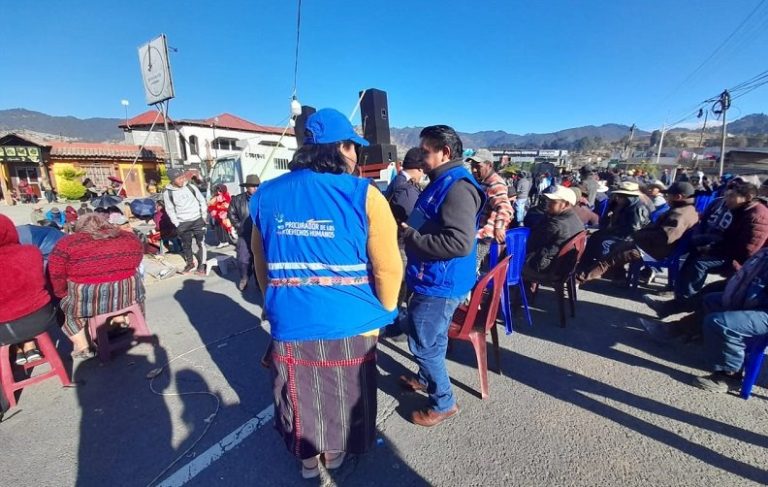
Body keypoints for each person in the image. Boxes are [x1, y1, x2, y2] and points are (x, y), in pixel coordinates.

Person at [248, 108, 402, 478]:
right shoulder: (364, 194)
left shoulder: (266, 195)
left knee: (297, 391)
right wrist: (384, 312)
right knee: (344, 393)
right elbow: (388, 266)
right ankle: (334, 454)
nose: (356, 156)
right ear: (342, 148)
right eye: (353, 147)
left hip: (292, 318)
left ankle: (306, 459)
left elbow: (260, 257)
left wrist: (274, 305)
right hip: (352, 320)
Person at [398, 124, 485, 427]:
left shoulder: (458, 187)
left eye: (425, 151)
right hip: (432, 277)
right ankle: (426, 378)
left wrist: (412, 238)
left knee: (423, 343)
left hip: (439, 283)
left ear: (445, 152)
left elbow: (459, 243)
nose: (420, 156)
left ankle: (444, 402)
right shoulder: (441, 181)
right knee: (432, 339)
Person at [645, 182, 768, 318]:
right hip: (728, 252)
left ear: (748, 197)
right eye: (726, 196)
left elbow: (747, 250)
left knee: (700, 265)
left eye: (732, 196)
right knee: (694, 254)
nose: (727, 200)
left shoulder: (758, 216)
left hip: (743, 262)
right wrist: (709, 247)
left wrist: (712, 249)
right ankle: (679, 300)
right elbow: (726, 237)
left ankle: (683, 303)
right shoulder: (741, 210)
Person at [47, 213, 144, 359]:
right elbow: (138, 259)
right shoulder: (128, 237)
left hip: (90, 298)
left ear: (80, 227)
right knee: (123, 292)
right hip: (128, 294)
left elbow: (56, 274)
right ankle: (118, 323)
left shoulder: (67, 243)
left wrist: (61, 293)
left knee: (65, 311)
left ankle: (84, 347)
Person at [577, 182, 699, 285]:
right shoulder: (686, 210)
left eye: (669, 195)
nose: (667, 197)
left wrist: (639, 235)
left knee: (612, 253)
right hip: (650, 246)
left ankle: (580, 278)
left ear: (678, 197)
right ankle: (606, 274)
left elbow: (664, 237)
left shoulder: (680, 214)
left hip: (653, 250)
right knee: (604, 243)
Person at [0, 215, 57, 366]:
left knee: (9, 313)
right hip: (40, 318)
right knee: (22, 305)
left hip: (4, 329)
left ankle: (18, 349)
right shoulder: (31, 252)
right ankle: (28, 346)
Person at [382, 147, 426, 339]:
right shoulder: (406, 189)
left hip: (395, 240)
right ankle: (394, 325)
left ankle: (393, 322)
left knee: (399, 286)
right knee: (400, 285)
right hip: (399, 243)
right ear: (418, 168)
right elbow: (412, 221)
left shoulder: (400, 182)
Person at [577, 181, 650, 276]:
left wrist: (612, 231)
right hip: (620, 234)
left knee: (602, 242)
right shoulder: (623, 206)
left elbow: (634, 230)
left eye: (620, 196)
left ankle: (611, 271)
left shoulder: (637, 208)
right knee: (594, 237)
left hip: (630, 239)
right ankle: (585, 266)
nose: (617, 198)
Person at [522, 185, 584, 282]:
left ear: (565, 204)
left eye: (553, 202)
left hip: (548, 268)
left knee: (511, 262)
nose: (548, 204)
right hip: (564, 267)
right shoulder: (575, 219)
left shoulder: (556, 224)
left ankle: (520, 295)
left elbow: (532, 242)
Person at [468, 148, 512, 271]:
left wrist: (499, 227)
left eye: (478, 166)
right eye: (472, 166)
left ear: (489, 165)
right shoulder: (483, 181)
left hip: (484, 235)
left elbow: (504, 206)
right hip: (477, 231)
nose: (474, 170)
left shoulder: (495, 182)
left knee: (472, 266)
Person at [163, 168, 208, 275]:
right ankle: (190, 263)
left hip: (197, 219)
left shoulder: (191, 187)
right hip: (182, 223)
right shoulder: (168, 193)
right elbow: (170, 209)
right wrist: (177, 223)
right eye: (179, 179)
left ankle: (202, 265)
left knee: (200, 243)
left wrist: (204, 216)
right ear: (173, 180)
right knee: (186, 245)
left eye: (182, 177)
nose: (182, 180)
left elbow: (202, 200)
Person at [228, 174, 260, 290]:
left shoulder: (263, 198)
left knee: (259, 259)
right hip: (244, 234)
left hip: (260, 235)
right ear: (247, 187)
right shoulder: (237, 199)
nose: (255, 188)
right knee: (243, 260)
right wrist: (239, 226)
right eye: (252, 186)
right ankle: (244, 277)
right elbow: (231, 214)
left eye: (257, 186)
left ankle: (259, 281)